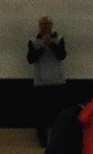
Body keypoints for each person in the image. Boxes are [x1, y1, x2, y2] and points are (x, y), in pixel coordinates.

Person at [27, 15, 67, 147]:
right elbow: (31, 59)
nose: (45, 27)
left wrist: (51, 44)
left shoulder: (59, 39)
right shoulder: (33, 41)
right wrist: (43, 46)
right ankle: (43, 142)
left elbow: (61, 55)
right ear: (39, 26)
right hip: (40, 84)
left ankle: (58, 140)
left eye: (47, 25)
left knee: (58, 116)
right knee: (40, 116)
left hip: (57, 83)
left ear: (51, 26)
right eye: (42, 25)